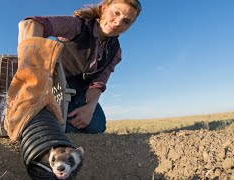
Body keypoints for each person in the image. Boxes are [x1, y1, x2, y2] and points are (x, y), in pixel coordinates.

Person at [17, 0, 142, 134]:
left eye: (126, 21)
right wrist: (30, 74)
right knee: (58, 124)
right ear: (104, 8)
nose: (118, 23)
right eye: (116, 13)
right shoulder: (77, 26)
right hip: (51, 86)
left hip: (78, 92)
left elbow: (98, 83)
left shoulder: (116, 51)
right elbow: (30, 24)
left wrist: (90, 107)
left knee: (96, 126)